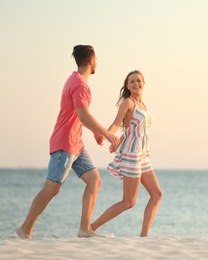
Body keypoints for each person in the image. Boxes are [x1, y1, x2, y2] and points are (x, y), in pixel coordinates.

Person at [16, 45, 119, 239]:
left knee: (94, 181)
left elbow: (79, 116)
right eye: (96, 59)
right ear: (91, 61)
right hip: (65, 144)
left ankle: (84, 229)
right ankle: (25, 229)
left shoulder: (74, 79)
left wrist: (95, 133)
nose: (97, 62)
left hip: (76, 144)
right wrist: (106, 134)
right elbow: (83, 115)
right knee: (52, 187)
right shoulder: (80, 85)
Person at [91, 70, 162, 237]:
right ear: (128, 86)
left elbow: (132, 128)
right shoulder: (128, 103)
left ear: (143, 82)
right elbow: (116, 124)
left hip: (143, 154)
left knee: (157, 194)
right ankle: (91, 227)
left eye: (138, 80)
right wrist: (108, 135)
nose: (136, 84)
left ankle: (144, 236)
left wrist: (121, 140)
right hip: (132, 154)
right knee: (128, 202)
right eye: (132, 82)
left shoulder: (143, 104)